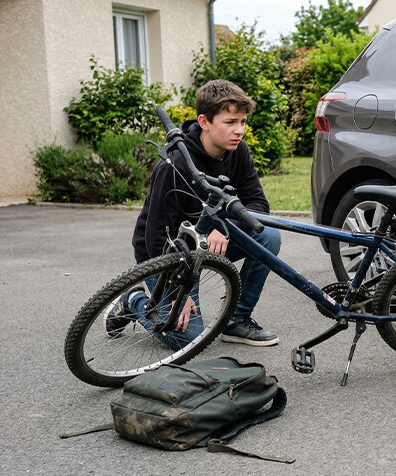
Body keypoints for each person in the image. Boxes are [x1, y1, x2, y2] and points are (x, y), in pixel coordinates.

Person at [106, 79, 281, 348]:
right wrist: (176, 290)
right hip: (168, 257)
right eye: (231, 122)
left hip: (208, 246)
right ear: (204, 121)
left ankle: (237, 320)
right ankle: (135, 301)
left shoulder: (238, 151)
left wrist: (225, 227)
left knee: (268, 237)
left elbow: (258, 203)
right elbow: (154, 236)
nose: (240, 130)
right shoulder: (173, 164)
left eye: (243, 122)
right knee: (185, 339)